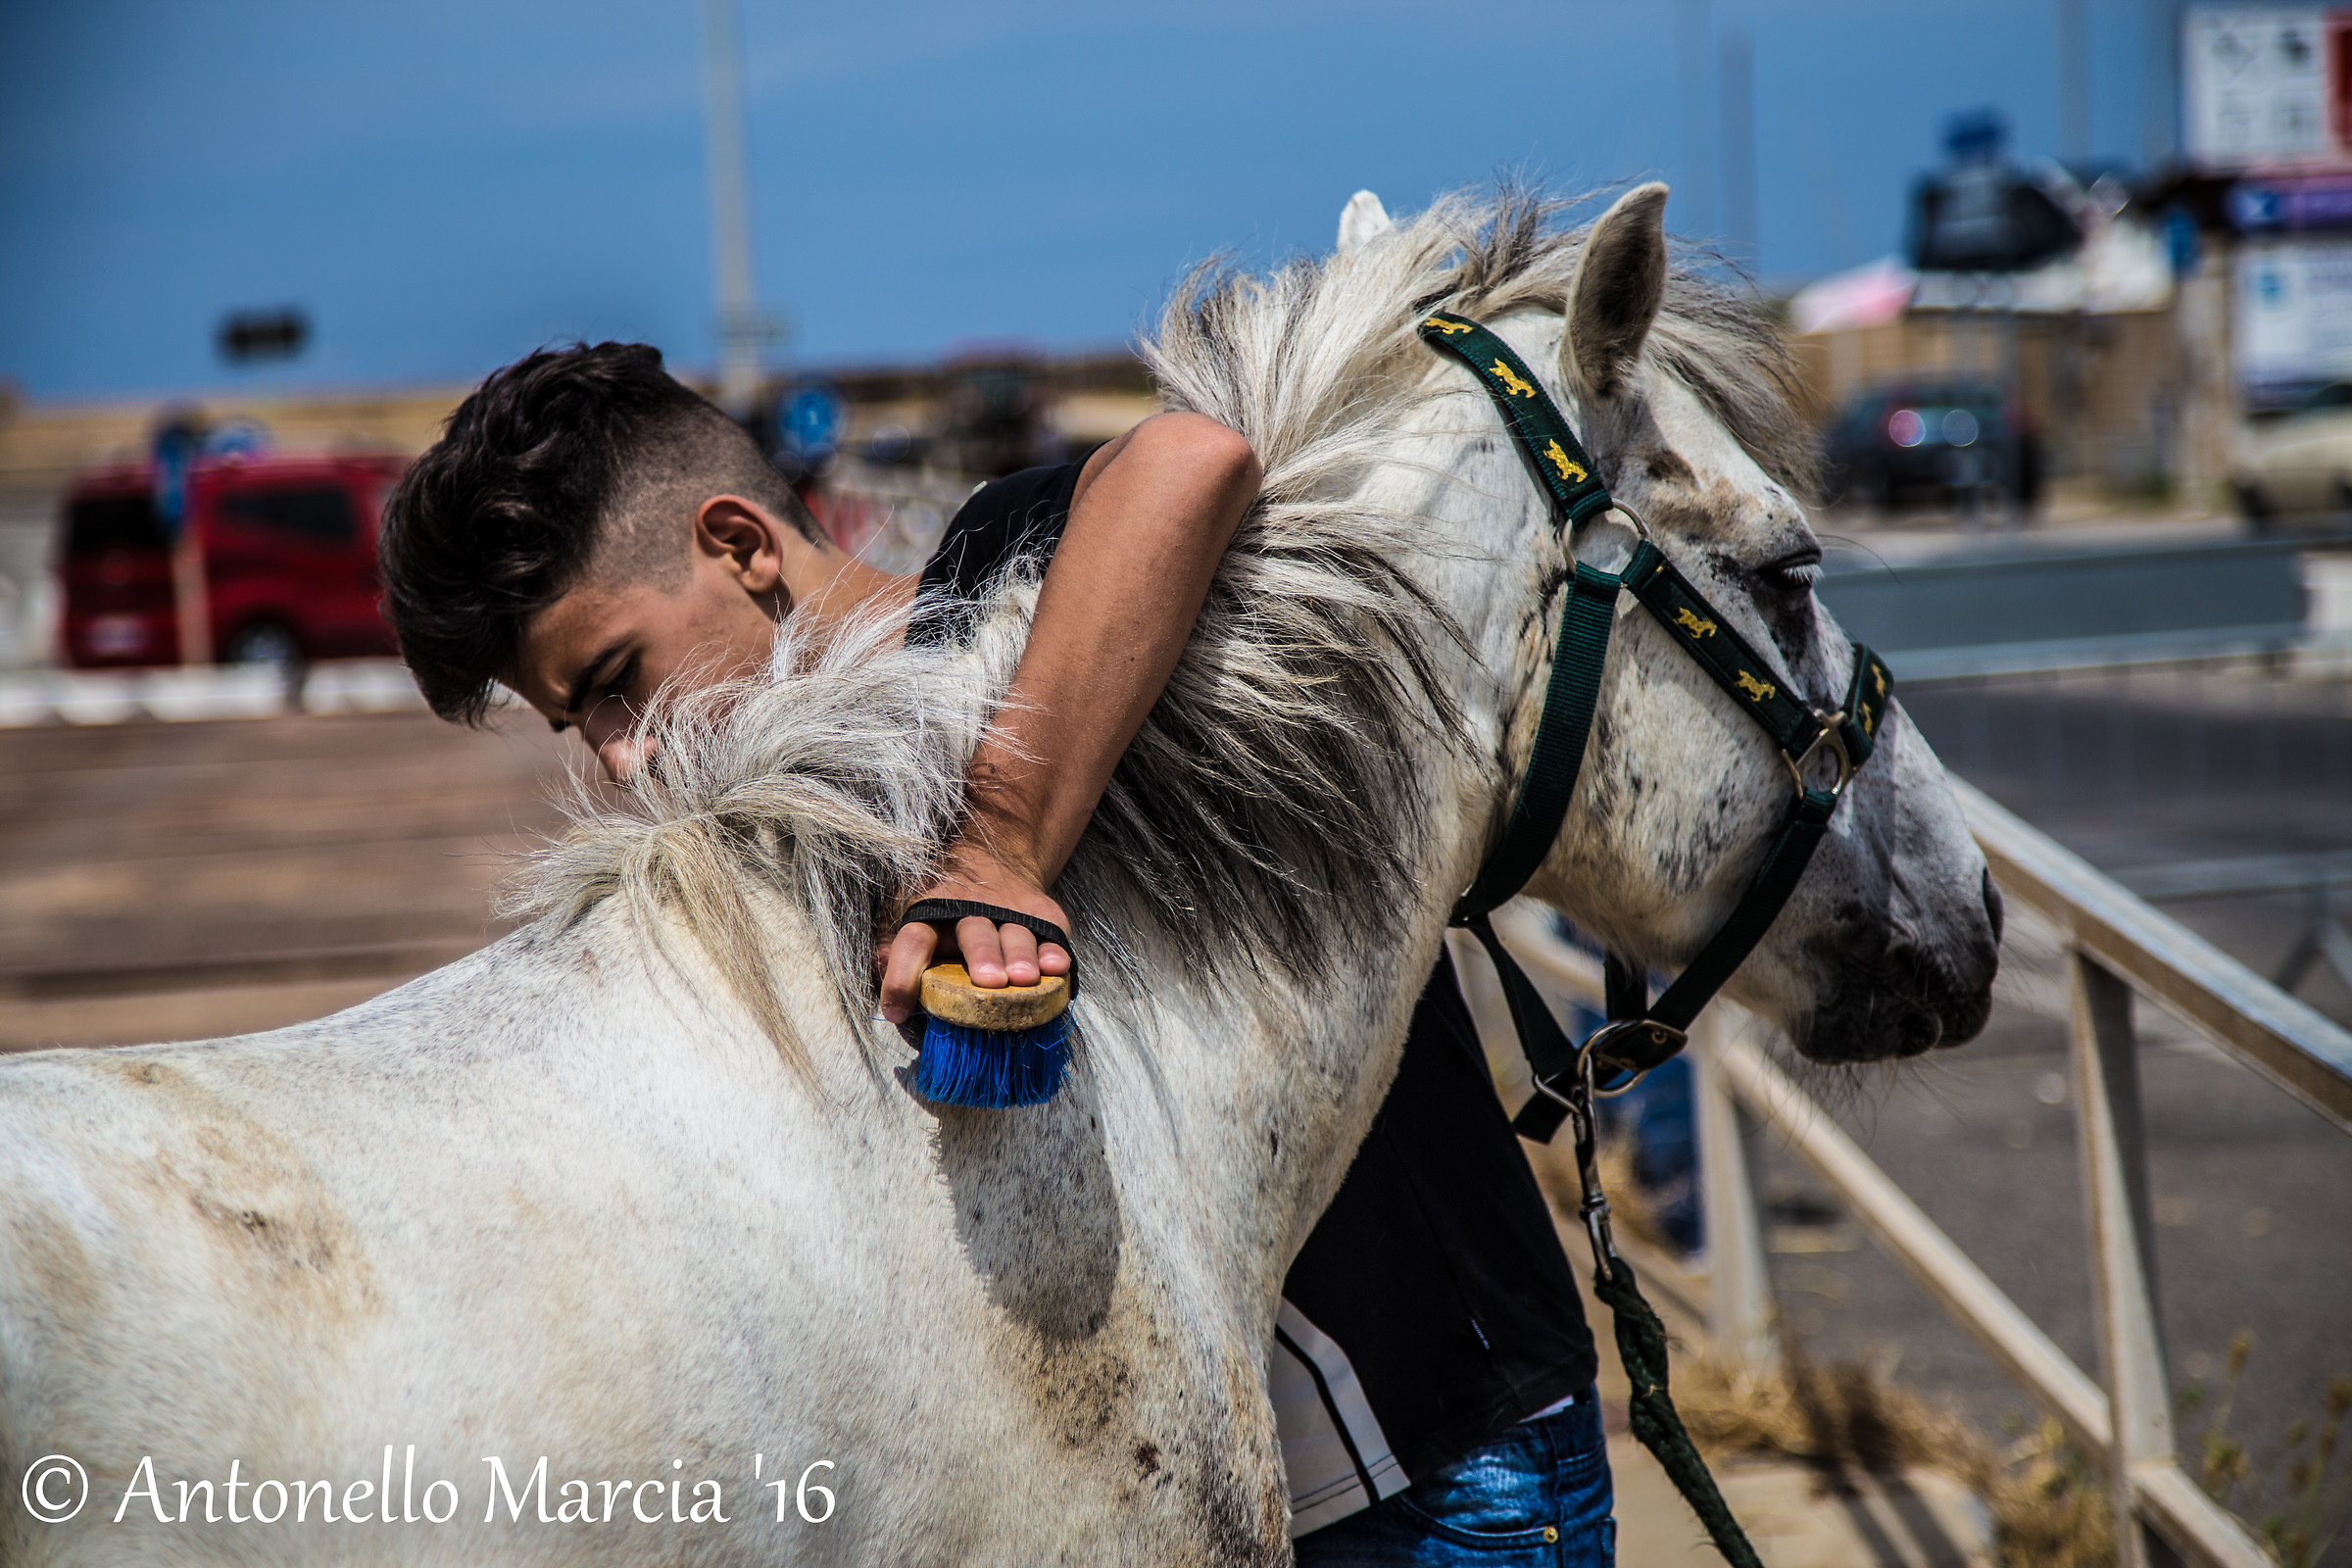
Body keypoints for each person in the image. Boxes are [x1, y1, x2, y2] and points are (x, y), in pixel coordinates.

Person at [380, 341, 1616, 1564]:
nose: (620, 757)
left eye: (615, 680)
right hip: (1255, 1485)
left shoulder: (992, 594)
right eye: (574, 724)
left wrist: (998, 851)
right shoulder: (805, 821)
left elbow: (1192, 457)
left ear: (743, 545)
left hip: (1458, 1461)